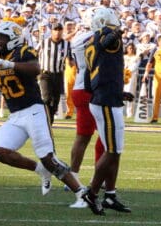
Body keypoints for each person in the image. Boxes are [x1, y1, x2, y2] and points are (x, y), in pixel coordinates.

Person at [0, 21, 94, 213]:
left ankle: (82, 193)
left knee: (48, 158)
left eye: (0, 38)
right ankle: (39, 170)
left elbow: (35, 69)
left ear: (12, 38)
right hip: (16, 115)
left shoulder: (24, 52)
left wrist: (9, 64)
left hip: (34, 110)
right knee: (0, 151)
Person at [83, 8, 132, 215]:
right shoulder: (107, 39)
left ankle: (110, 195)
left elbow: (88, 81)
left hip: (104, 99)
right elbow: (107, 43)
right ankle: (92, 193)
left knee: (114, 151)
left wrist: (116, 91)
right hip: (106, 103)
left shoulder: (90, 43)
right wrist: (116, 34)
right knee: (112, 151)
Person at [66, 31, 105, 208]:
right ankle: (99, 177)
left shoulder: (79, 37)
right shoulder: (91, 38)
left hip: (81, 87)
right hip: (90, 89)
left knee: (83, 136)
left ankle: (73, 175)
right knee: (105, 136)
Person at [38, 22, 71, 124]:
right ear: (51, 31)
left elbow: (71, 59)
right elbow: (34, 54)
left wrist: (73, 63)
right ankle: (46, 121)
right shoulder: (44, 42)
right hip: (45, 73)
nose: (57, 32)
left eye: (59, 30)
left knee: (56, 100)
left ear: (62, 31)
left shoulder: (67, 44)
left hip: (58, 74)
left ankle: (50, 118)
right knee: (46, 98)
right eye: (55, 30)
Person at [142, 34, 161, 124]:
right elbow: (149, 63)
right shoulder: (154, 50)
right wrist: (146, 73)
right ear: (158, 42)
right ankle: (155, 117)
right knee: (156, 97)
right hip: (158, 77)